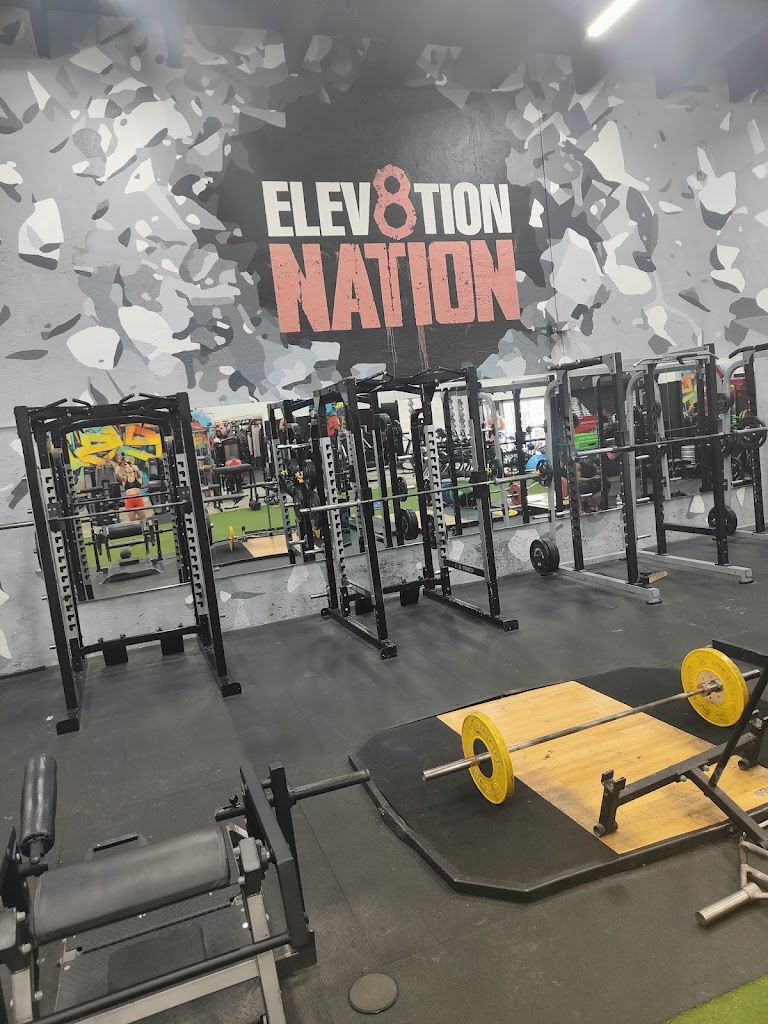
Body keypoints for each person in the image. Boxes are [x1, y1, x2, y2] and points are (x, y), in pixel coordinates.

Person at [115, 455, 149, 522]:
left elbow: (136, 470)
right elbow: (117, 474)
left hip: (138, 499)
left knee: (143, 519)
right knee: (132, 521)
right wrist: (120, 462)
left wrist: (128, 462)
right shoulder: (125, 479)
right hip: (129, 500)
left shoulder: (138, 477)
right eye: (127, 467)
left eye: (129, 467)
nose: (128, 468)